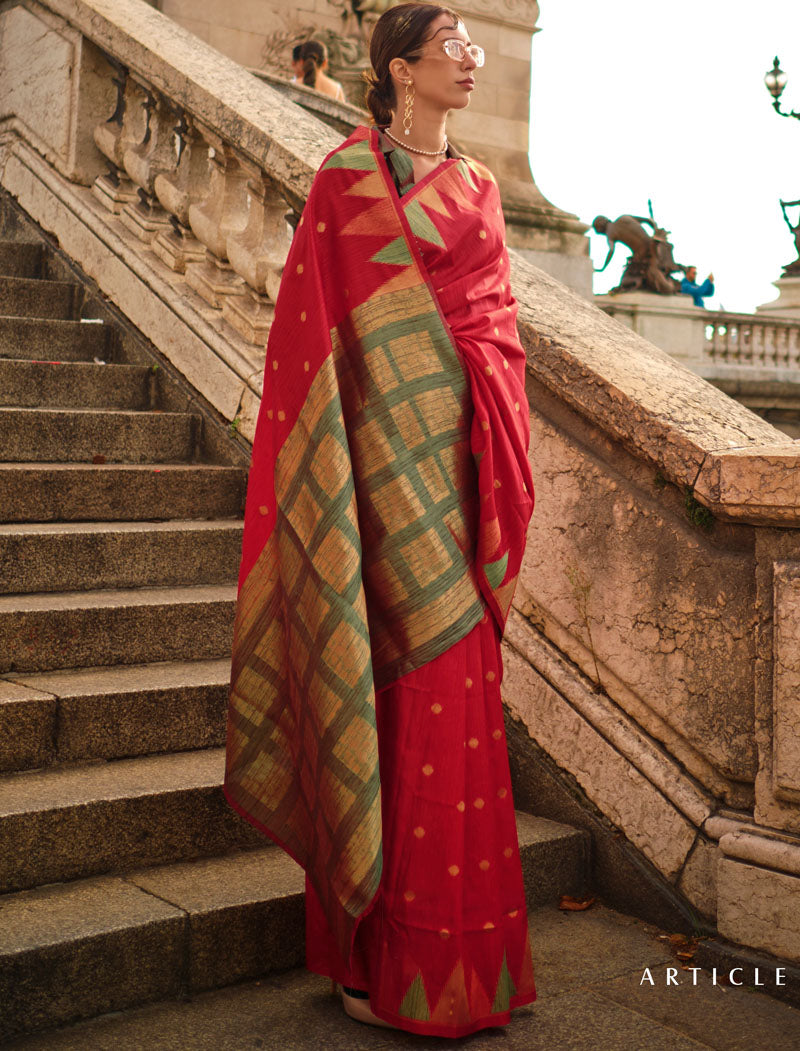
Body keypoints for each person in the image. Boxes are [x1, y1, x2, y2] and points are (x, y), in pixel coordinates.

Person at [224, 2, 536, 1038]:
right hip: (360, 481)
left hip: (452, 475)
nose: (471, 59)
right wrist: (347, 460)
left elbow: (495, 326)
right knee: (374, 693)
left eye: (474, 44)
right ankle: (372, 956)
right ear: (399, 67)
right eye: (452, 45)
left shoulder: (483, 189)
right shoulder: (344, 180)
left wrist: (462, 390)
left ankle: (456, 969)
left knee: (449, 699)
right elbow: (307, 345)